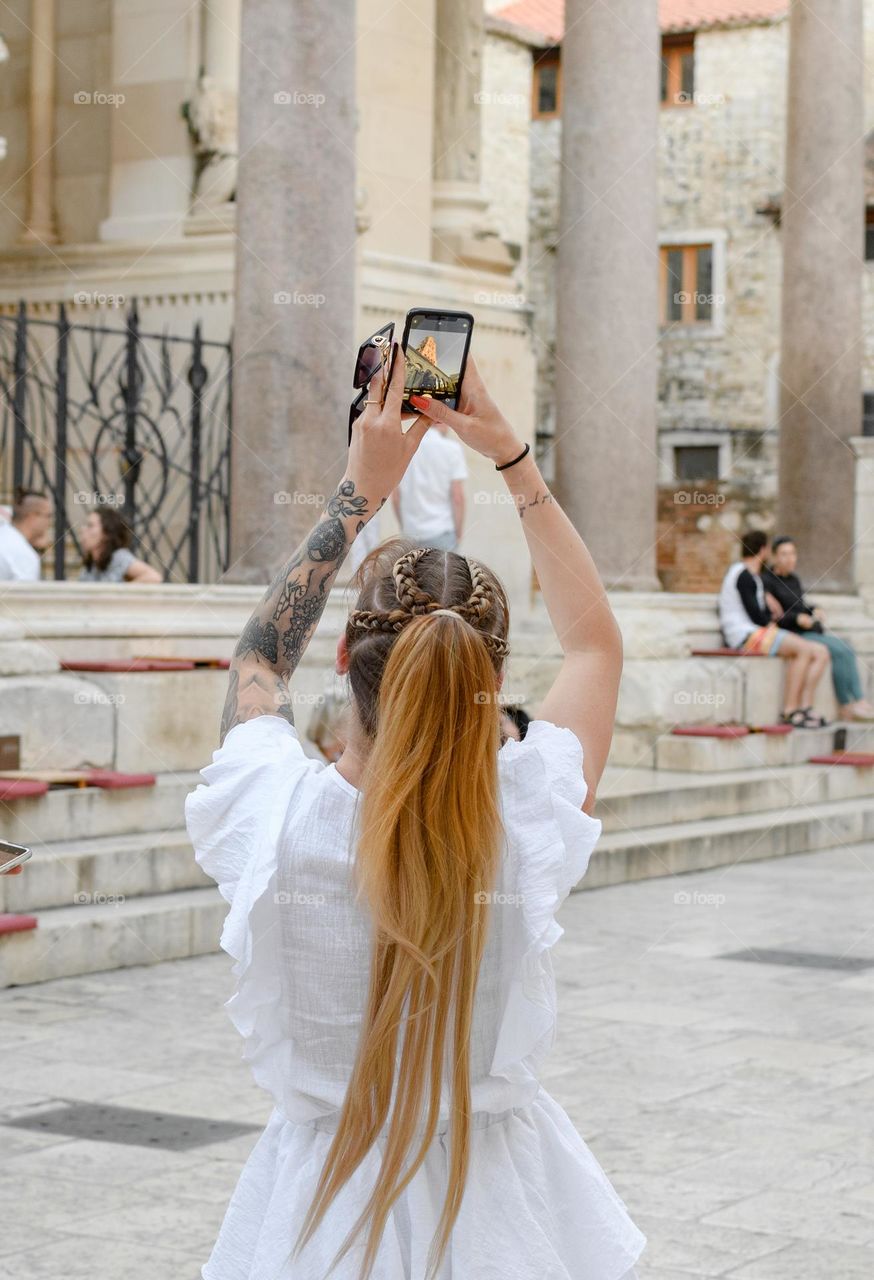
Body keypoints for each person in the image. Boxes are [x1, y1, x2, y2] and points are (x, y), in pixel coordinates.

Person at [185, 349, 645, 1280]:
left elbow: (260, 662)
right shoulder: (528, 814)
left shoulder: (273, 812)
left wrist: (359, 490)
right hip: (503, 1211)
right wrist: (509, 454)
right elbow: (595, 645)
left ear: (347, 655)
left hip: (320, 1213)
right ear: (493, 677)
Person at [718, 530, 830, 728]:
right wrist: (772, 618)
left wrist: (768, 603)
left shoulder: (751, 576)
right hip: (743, 635)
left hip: (754, 631)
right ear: (763, 550)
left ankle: (805, 708)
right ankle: (790, 711)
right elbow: (756, 617)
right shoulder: (743, 575)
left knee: (820, 651)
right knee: (803, 649)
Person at [764, 536, 874, 722]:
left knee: (846, 646)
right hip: (793, 633)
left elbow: (800, 605)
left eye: (792, 554)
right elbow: (774, 616)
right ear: (774, 557)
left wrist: (813, 610)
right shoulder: (767, 582)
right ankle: (847, 704)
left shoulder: (794, 579)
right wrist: (798, 619)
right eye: (784, 554)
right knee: (840, 649)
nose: (790, 559)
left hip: (809, 630)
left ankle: (858, 700)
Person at [391, 417, 467, 551]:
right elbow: (457, 497)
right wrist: (458, 533)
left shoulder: (404, 448)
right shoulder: (452, 449)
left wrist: (404, 527)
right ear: (440, 421)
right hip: (442, 533)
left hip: (410, 535)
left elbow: (396, 497)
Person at [78, 508, 162, 583]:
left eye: (90, 525)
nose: (83, 529)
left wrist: (120, 592)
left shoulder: (118, 557)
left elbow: (154, 577)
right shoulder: (89, 569)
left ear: (106, 533)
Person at [0, 487, 53, 581]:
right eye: (48, 516)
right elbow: (26, 591)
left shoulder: (5, 534)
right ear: (33, 516)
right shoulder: (23, 554)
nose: (50, 522)